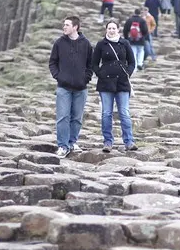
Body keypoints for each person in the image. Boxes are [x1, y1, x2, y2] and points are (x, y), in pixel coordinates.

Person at [49, 16, 93, 158]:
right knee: (63, 117)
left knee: (77, 118)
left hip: (81, 88)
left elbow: (91, 64)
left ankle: (72, 142)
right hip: (64, 87)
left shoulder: (86, 44)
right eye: (64, 24)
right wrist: (59, 76)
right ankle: (62, 146)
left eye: (67, 25)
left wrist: (85, 79)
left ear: (75, 27)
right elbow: (52, 63)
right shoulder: (59, 43)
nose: (64, 27)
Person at [91, 20, 138, 152]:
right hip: (105, 83)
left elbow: (132, 62)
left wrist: (128, 73)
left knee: (124, 113)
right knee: (106, 113)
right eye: (109, 28)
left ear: (118, 30)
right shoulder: (101, 44)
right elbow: (94, 63)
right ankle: (107, 141)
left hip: (122, 82)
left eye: (114, 28)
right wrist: (100, 73)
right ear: (106, 30)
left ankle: (129, 141)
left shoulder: (125, 43)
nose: (111, 30)